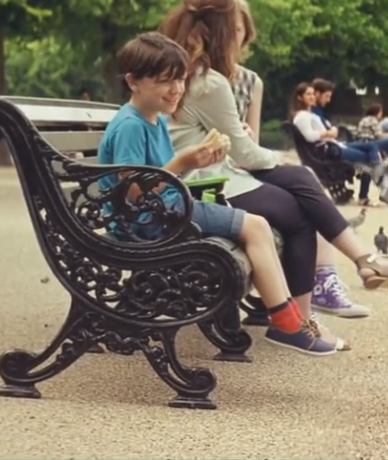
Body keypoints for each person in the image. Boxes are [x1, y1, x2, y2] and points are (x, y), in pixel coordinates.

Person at [160, 0, 388, 323]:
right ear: (223, 31)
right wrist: (271, 156)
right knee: (297, 202)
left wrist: (243, 144)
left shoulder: (185, 71)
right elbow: (241, 152)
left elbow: (224, 139)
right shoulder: (208, 80)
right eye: (235, 28)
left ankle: (347, 276)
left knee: (300, 183)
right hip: (199, 182)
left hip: (207, 172)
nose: (239, 37)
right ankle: (305, 313)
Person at [97, 32, 335, 356]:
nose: (176, 89)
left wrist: (201, 160)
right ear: (133, 81)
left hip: (166, 210)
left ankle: (289, 320)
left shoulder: (152, 120)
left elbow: (154, 183)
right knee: (256, 226)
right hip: (147, 222)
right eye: (165, 81)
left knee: (258, 225)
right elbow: (135, 192)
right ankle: (288, 323)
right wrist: (183, 162)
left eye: (180, 80)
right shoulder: (131, 126)